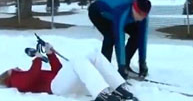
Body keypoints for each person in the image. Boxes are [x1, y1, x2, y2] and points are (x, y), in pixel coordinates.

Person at [0, 43, 133, 101]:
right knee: (76, 60)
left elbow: (58, 71)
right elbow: (29, 80)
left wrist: (50, 54)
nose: (16, 67)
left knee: (93, 54)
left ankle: (118, 86)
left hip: (60, 81)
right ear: (8, 74)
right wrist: (37, 59)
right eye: (12, 69)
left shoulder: (20, 75)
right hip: (55, 87)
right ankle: (101, 95)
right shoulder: (15, 79)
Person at [88, 0, 151, 79]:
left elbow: (142, 39)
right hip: (98, 12)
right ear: (134, 8)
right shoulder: (122, 11)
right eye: (139, 14)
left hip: (115, 15)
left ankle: (126, 65)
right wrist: (121, 67)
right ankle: (104, 69)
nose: (141, 18)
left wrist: (142, 63)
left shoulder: (143, 18)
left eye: (144, 15)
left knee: (137, 35)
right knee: (110, 38)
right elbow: (119, 39)